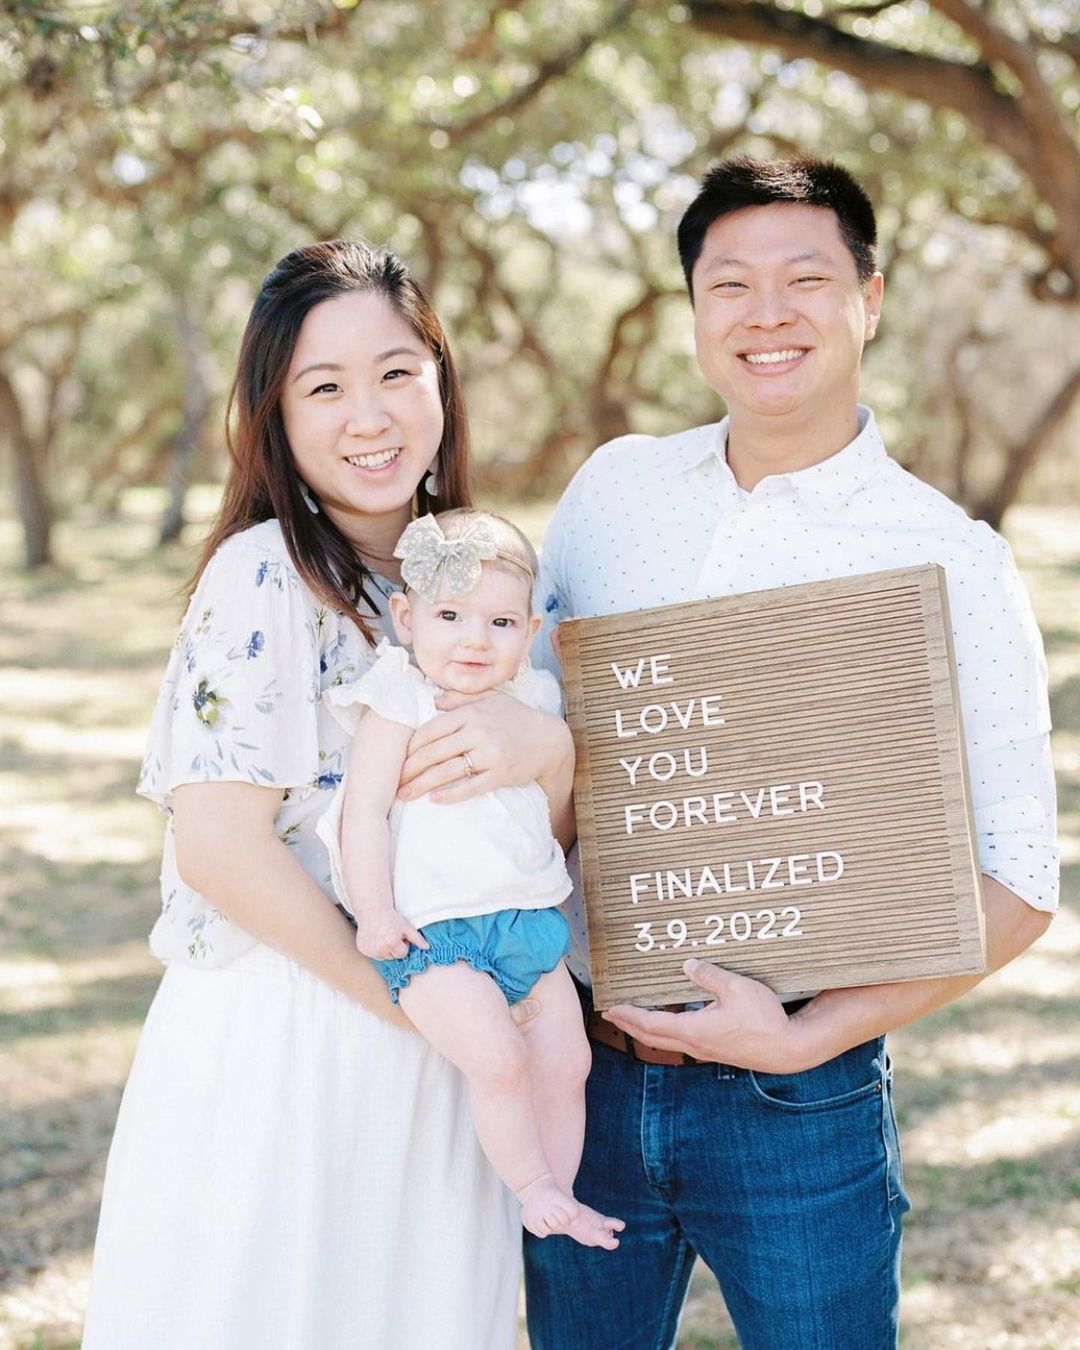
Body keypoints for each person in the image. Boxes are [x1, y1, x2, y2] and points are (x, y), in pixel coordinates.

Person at [520, 157, 1059, 1349]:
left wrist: (806, 1037)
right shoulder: (612, 492)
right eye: (730, 284)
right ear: (694, 310)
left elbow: (1021, 883)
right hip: (579, 1073)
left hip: (798, 1101)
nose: (767, 313)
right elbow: (534, 734)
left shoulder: (949, 559)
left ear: (869, 299)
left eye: (806, 279)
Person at [81, 238, 575, 1350]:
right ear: (275, 414)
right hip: (296, 1033)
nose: (371, 416)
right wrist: (408, 999)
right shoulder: (264, 573)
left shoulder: (483, 581)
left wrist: (548, 753)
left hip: (455, 1040)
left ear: (442, 383)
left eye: (398, 373)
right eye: (325, 387)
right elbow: (221, 849)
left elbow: (532, 845)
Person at [319, 507, 624, 1249]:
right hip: (438, 932)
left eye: (501, 623)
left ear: (531, 631)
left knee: (568, 1061)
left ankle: (559, 1194)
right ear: (407, 617)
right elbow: (362, 814)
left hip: (529, 923)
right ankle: (532, 1187)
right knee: (499, 1059)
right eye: (450, 615)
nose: (474, 640)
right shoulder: (400, 698)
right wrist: (375, 913)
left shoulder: (534, 701)